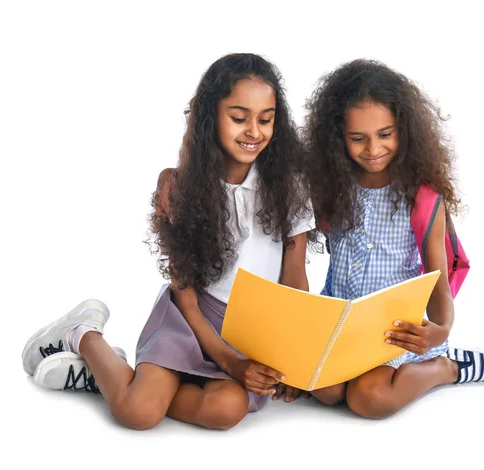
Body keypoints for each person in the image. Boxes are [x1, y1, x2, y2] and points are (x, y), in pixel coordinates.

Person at [22, 53, 315, 430]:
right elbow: (186, 298)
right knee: (139, 413)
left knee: (228, 409)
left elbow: (295, 280)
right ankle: (82, 335)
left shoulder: (291, 187)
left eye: (266, 119)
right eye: (239, 118)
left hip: (253, 331)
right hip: (191, 320)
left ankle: (116, 380)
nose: (254, 131)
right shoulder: (182, 191)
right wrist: (230, 363)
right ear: (211, 118)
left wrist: (296, 355)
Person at [302, 59, 484, 419]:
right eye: (357, 138)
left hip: (394, 332)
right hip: (340, 324)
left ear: (404, 130)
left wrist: (440, 332)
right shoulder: (330, 189)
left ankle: (447, 368)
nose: (373, 148)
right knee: (326, 391)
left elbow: (438, 284)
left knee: (370, 398)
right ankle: (350, 372)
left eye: (385, 134)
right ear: (337, 138)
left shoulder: (422, 198)